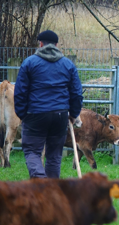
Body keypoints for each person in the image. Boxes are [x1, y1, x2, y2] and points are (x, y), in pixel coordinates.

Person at [14, 30, 83, 178]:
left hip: (35, 114)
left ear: (40, 44)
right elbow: (76, 93)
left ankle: (40, 181)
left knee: (32, 151)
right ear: (56, 45)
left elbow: (20, 92)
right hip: (60, 114)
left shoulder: (29, 63)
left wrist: (22, 114)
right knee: (54, 155)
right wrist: (73, 113)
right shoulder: (68, 64)